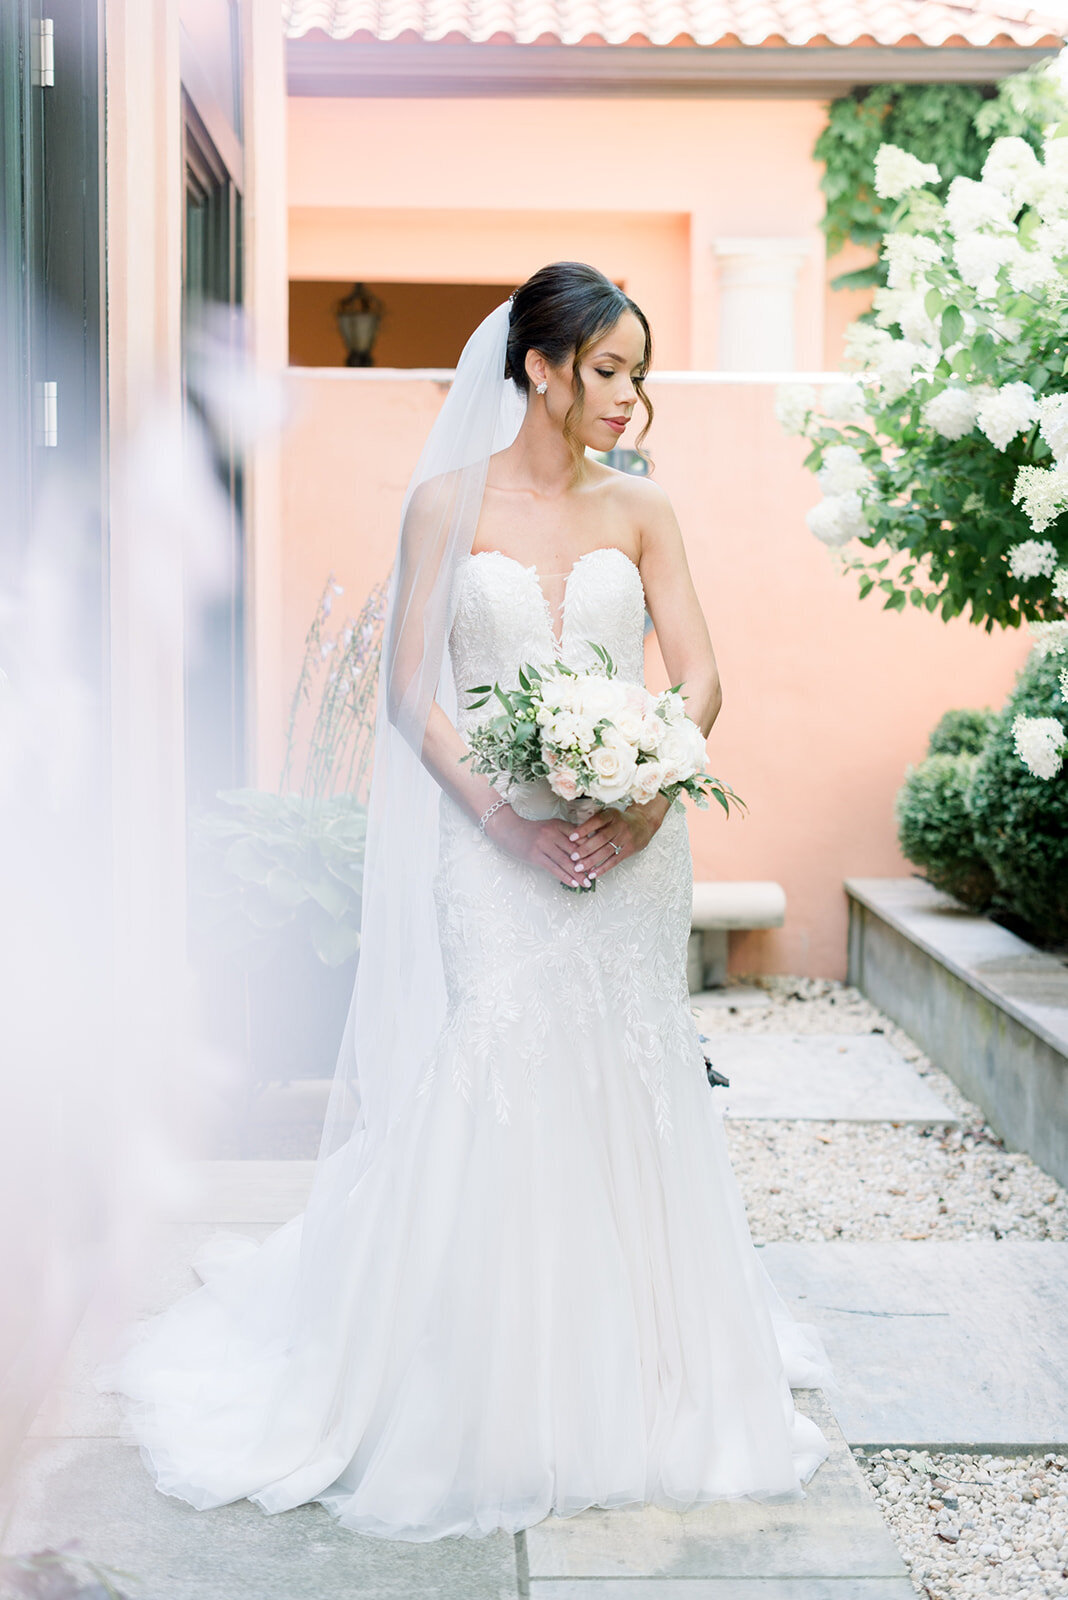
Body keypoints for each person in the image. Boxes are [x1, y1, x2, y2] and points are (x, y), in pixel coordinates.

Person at [95, 261, 832, 1543]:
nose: (628, 397)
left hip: (628, 848)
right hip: (491, 855)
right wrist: (504, 823)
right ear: (539, 369)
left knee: (627, 1076)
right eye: (608, 370)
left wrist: (650, 787)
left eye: (638, 373)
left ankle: (647, 1374)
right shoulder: (445, 502)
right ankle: (477, 1382)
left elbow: (702, 675)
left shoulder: (644, 510)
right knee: (495, 1070)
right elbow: (407, 694)